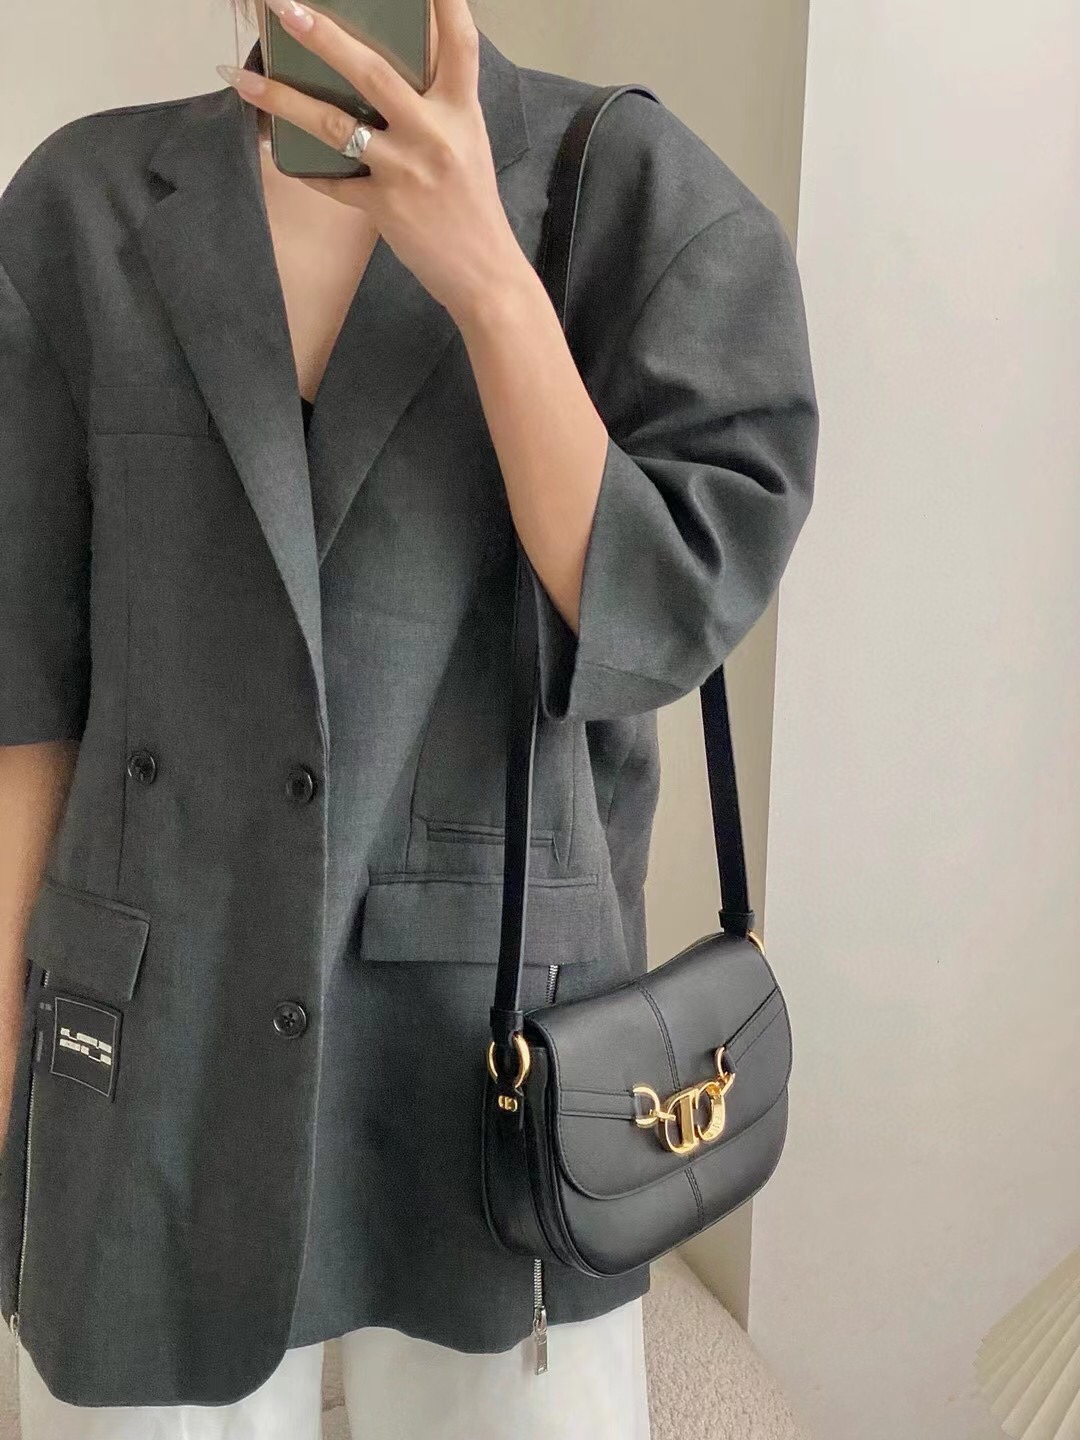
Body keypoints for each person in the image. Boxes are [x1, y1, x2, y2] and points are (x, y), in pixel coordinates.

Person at [0, 0, 819, 1433]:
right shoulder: (84, 207)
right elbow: (25, 701)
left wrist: (489, 275)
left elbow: (670, 609)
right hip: (147, 1040)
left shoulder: (629, 192)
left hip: (501, 1052)